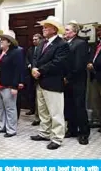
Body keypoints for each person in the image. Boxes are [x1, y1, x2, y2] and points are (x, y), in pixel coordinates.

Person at [30, 16, 69, 150]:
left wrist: (40, 70)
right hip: (40, 82)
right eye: (44, 26)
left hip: (53, 83)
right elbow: (35, 57)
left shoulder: (62, 44)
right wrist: (34, 68)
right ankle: (44, 132)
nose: (44, 28)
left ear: (54, 29)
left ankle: (57, 138)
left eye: (46, 27)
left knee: (56, 112)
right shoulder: (42, 43)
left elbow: (58, 63)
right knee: (43, 111)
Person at [63, 20, 90, 145]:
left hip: (77, 80)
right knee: (69, 106)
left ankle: (84, 133)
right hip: (66, 81)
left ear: (74, 32)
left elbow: (78, 65)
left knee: (79, 107)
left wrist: (68, 77)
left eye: (67, 30)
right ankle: (72, 129)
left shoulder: (80, 43)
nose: (65, 31)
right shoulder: (65, 43)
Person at [0, 31, 22, 137]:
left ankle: (11, 129)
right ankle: (1, 126)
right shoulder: (1, 53)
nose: (0, 42)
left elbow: (17, 70)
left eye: (3, 40)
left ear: (9, 43)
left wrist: (15, 86)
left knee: (10, 108)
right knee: (0, 107)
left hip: (8, 85)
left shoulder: (16, 53)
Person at [26, 34, 42, 125]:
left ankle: (39, 117)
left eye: (36, 39)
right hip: (30, 75)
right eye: (33, 39)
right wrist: (29, 65)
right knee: (32, 94)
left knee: (39, 98)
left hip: (40, 74)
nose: (34, 41)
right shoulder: (30, 49)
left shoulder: (43, 48)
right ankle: (33, 111)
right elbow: (27, 59)